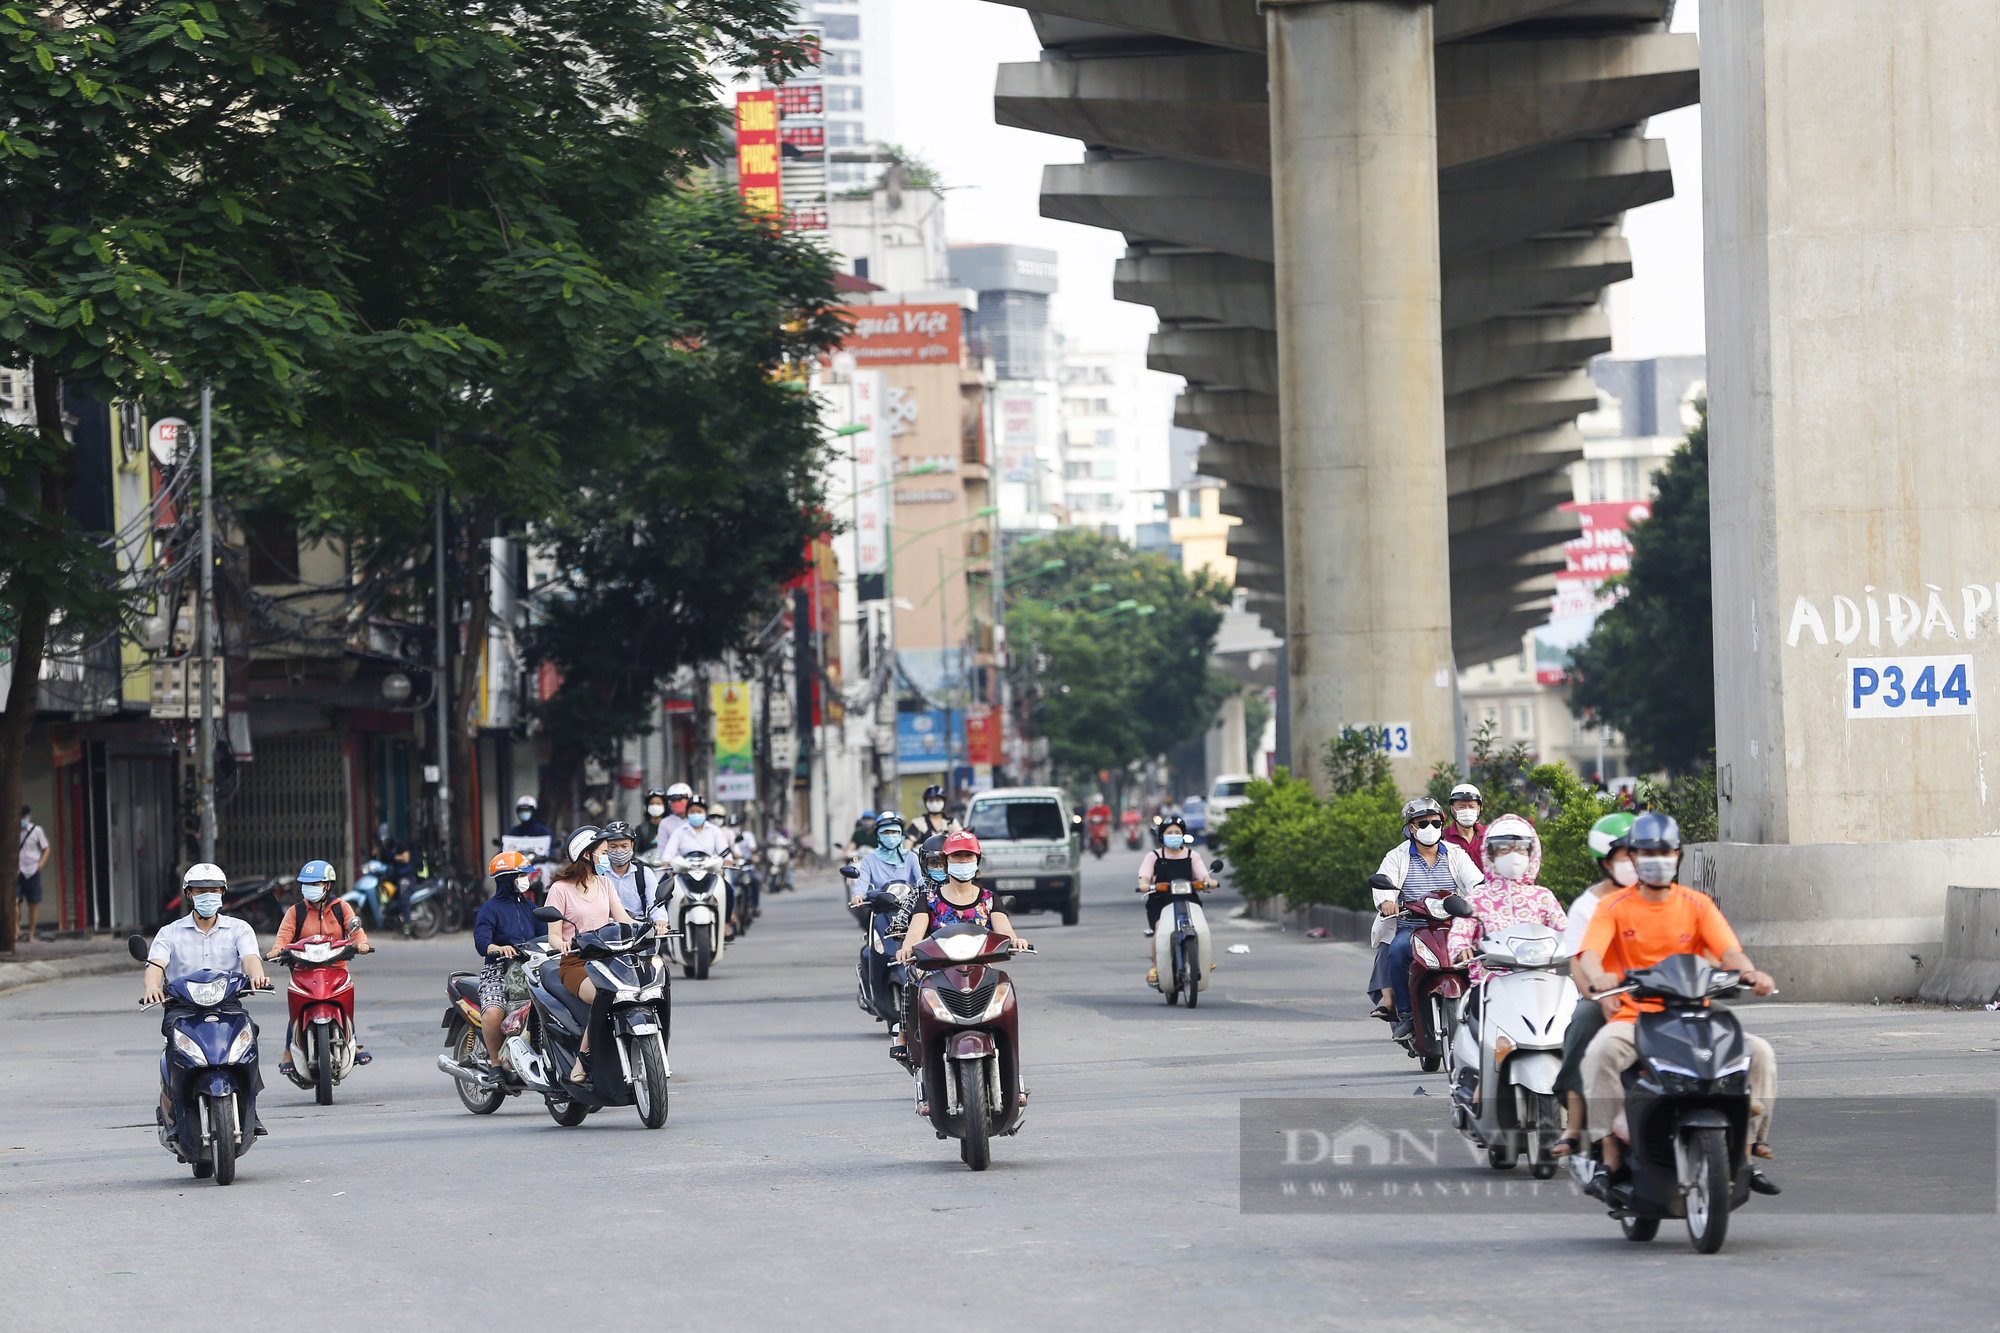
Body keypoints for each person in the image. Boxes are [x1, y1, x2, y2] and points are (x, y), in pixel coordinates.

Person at [1576, 812, 1779, 1181]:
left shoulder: (1698, 904)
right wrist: (1599, 977)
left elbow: (1730, 952)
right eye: (1648, 852)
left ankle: (1747, 1153)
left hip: (1693, 1014)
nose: (1658, 859)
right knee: (1599, 1054)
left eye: (1666, 852)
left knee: (1760, 1052)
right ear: (1634, 857)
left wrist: (1750, 972)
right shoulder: (1613, 908)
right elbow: (1589, 954)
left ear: (1678, 856)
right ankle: (1608, 1151)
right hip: (1635, 1017)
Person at [142, 863, 273, 1133]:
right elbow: (155, 965)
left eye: (213, 890)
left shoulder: (239, 929)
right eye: (201, 891)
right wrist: (152, 987)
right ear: (189, 894)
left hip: (227, 1004)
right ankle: (174, 1109)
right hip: (183, 1008)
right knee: (175, 1048)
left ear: (223, 893)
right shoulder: (170, 932)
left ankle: (250, 1107)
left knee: (249, 1038)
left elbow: (250, 959)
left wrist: (258, 976)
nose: (207, 896)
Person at [895, 831, 1025, 1082]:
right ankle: (921, 1056)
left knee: (1007, 1005)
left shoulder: (989, 899)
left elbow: (1005, 931)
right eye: (957, 857)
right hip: (937, 974)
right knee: (913, 987)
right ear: (946, 861)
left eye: (968, 856)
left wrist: (1016, 940)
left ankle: (1012, 1079)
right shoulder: (927, 900)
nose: (963, 862)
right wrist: (907, 948)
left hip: (981, 975)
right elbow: (914, 935)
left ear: (977, 861)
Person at [1548, 812, 1635, 1157]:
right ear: (1605, 860)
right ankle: (1574, 1127)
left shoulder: (1660, 897)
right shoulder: (1588, 907)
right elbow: (1581, 968)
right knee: (1582, 1024)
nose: (1637, 861)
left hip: (1658, 993)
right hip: (1606, 996)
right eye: (1628, 854)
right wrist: (1600, 996)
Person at [1366, 797, 1485, 1037]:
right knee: (1397, 951)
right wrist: (1388, 902)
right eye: (1422, 823)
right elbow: (1383, 884)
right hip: (1412, 927)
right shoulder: (1396, 856)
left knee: (1483, 951)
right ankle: (1406, 1015)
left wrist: (1482, 896)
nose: (1430, 828)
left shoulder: (1456, 854)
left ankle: (1481, 1008)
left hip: (1454, 926)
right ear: (1411, 827)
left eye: (1435, 822)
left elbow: (1475, 881)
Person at [542, 827, 637, 1083]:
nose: (609, 857)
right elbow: (553, 935)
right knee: (604, 994)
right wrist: (561, 944)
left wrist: (649, 926)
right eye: (604, 852)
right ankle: (582, 1059)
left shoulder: (605, 884)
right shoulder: (560, 889)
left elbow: (623, 919)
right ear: (586, 854)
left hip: (609, 959)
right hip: (575, 963)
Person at [266, 859, 374, 1076]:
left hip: (336, 966)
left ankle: (353, 1040)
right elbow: (284, 935)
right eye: (307, 884)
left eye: (316, 884)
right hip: (303, 968)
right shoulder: (296, 912)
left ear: (327, 886)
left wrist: (362, 944)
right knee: (299, 1003)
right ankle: (288, 1050)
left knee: (344, 1000)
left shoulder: (342, 908)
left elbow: (355, 930)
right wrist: (276, 950)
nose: (310, 889)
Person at [471, 851, 541, 1073]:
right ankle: (494, 1064)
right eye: (520, 875)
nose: (525, 879)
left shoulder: (530, 907)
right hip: (498, 971)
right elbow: (482, 942)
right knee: (493, 1013)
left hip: (531, 968)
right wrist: (498, 949)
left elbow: (545, 935)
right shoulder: (489, 909)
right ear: (506, 878)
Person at [1137, 815, 1209, 986]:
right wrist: (1145, 883)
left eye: (1178, 832)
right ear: (1162, 836)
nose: (1174, 835)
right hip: (1160, 900)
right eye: (1170, 832)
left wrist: (1209, 881)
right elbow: (1144, 876)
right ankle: (1155, 966)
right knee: (1159, 927)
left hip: (1188, 898)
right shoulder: (1153, 856)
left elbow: (1203, 875)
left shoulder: (1193, 855)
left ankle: (1203, 961)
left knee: (1199, 927)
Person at [598, 820, 658, 920]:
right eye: (613, 846)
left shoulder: (644, 874)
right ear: (605, 847)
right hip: (607, 928)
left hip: (638, 928)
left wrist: (660, 920)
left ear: (632, 845)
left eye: (624, 846)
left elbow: (655, 903)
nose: (619, 850)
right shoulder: (598, 874)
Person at [17, 804, 50, 943]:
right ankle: (16, 931)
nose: (24, 819)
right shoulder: (15, 831)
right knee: (15, 903)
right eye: (22, 816)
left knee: (33, 905)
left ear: (29, 816)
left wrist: (41, 864)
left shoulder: (37, 831)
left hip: (33, 872)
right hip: (18, 872)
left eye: (26, 816)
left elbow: (46, 848)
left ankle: (31, 934)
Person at [502, 795, 554, 860]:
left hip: (539, 866)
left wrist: (551, 856)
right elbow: (505, 847)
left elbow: (551, 848)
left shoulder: (543, 831)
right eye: (522, 811)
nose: (524, 813)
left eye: (527, 810)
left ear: (534, 812)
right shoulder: (513, 832)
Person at [1443, 782, 1485, 859]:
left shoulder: (1489, 834)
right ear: (1452, 810)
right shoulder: (1443, 837)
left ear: (1478, 809)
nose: (1467, 811)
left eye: (1471, 806)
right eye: (1461, 807)